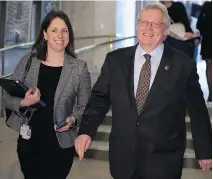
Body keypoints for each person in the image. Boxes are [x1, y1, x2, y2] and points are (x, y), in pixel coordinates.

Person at [75, 3, 212, 179]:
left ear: (165, 31)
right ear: (137, 26)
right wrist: (86, 130)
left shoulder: (182, 65)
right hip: (123, 158)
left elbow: (197, 109)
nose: (148, 28)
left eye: (155, 24)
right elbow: (99, 99)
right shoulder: (115, 60)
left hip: (164, 161)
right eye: (143, 22)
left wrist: (205, 150)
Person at [3, 11, 91, 179]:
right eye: (54, 30)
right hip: (29, 143)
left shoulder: (79, 68)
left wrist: (72, 120)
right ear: (44, 34)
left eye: (64, 31)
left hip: (60, 145)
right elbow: (6, 96)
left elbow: (85, 107)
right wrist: (24, 102)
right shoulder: (29, 61)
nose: (60, 35)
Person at [196, 1, 212, 101]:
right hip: (208, 40)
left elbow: (199, 25)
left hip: (208, 40)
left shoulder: (207, 6)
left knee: (209, 68)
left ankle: (211, 94)